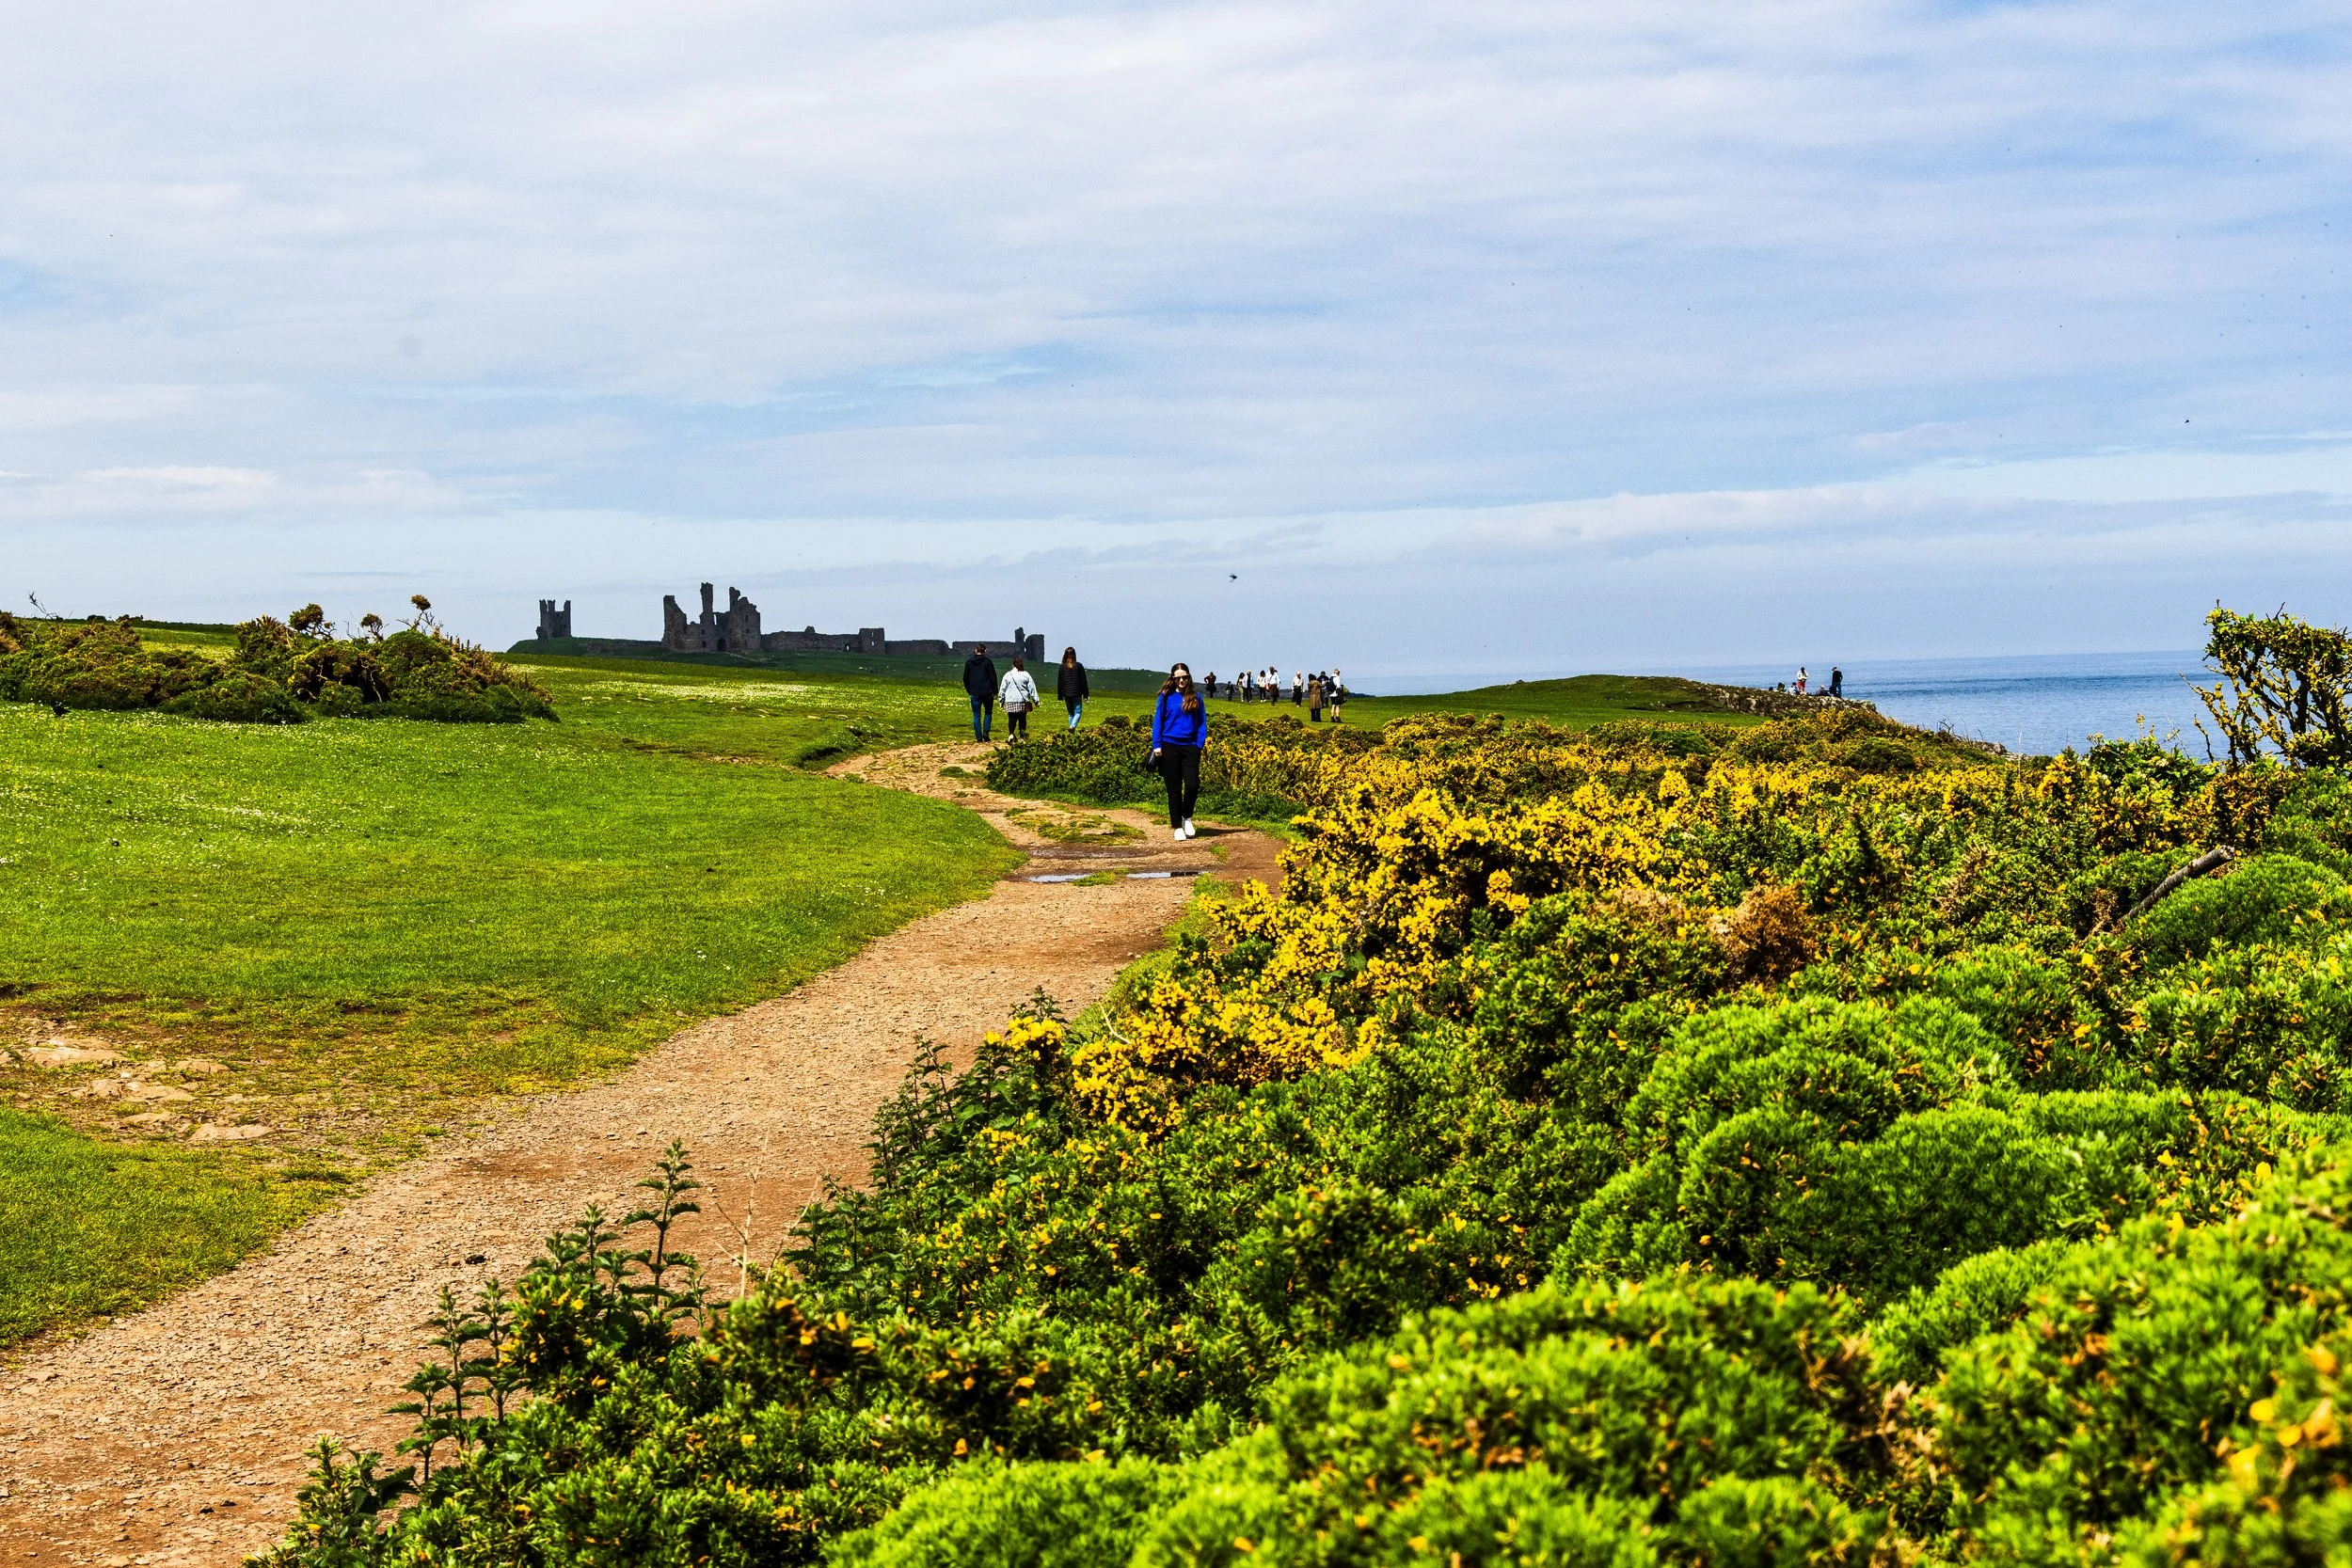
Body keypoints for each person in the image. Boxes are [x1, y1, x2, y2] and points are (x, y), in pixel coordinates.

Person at [1149, 661, 1208, 841]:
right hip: (1169, 747)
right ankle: (1177, 826)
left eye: (1184, 677)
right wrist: (1157, 744)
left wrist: (1199, 745)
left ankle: (1187, 818)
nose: (1181, 680)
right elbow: (1158, 721)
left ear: (1189, 677)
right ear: (1173, 679)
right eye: (1178, 678)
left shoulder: (1196, 697)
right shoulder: (1165, 697)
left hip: (1190, 747)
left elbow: (1202, 723)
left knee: (1192, 785)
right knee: (1173, 789)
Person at [961, 643, 998, 741]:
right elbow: (993, 678)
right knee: (988, 713)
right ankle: (986, 733)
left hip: (974, 692)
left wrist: (969, 690)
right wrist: (995, 692)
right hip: (987, 692)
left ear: (975, 650)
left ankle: (978, 737)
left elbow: (965, 678)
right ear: (984, 651)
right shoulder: (988, 662)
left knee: (976, 715)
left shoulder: (969, 662)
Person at [1000, 656, 1040, 741]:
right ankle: (1022, 737)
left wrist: (1001, 700)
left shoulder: (1008, 675)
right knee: (1022, 719)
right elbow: (1032, 688)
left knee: (1012, 718)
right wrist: (1036, 700)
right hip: (1022, 700)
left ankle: (1010, 734)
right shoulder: (1026, 674)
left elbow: (1002, 688)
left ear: (1013, 665)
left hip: (1010, 700)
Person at [1057, 646, 1090, 728]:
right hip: (1077, 693)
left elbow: (1060, 682)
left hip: (1066, 694)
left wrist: (1060, 695)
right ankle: (1072, 727)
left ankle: (1071, 732)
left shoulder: (1062, 667)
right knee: (1078, 712)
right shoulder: (1079, 666)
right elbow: (1084, 681)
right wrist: (1086, 694)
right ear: (1074, 655)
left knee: (1071, 713)